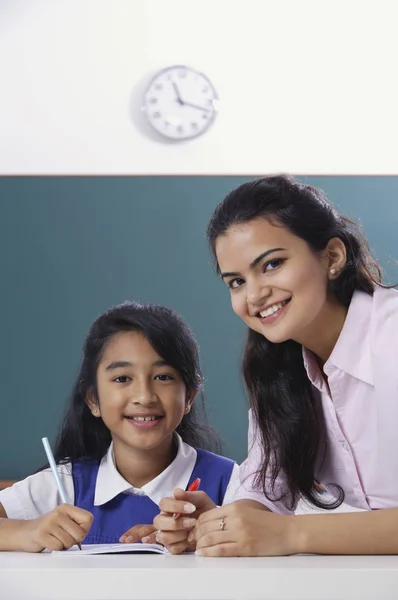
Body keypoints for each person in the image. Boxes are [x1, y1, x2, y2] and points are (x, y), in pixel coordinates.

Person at [154, 174, 398, 557]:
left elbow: (284, 529)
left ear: (332, 257)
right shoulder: (281, 367)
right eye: (236, 282)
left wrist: (291, 534)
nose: (254, 295)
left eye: (271, 265)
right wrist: (222, 524)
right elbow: (263, 490)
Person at [0, 301, 238, 552]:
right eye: (122, 378)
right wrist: (29, 531)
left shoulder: (231, 481)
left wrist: (210, 532)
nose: (144, 397)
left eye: (163, 377)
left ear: (189, 396)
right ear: (93, 399)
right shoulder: (65, 485)